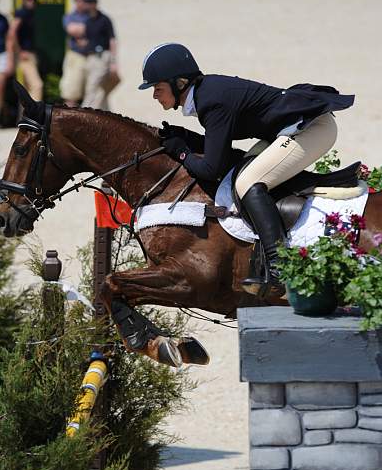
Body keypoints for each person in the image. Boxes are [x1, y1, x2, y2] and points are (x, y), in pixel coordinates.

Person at [138, 43, 354, 295]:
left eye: (157, 88)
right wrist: (185, 137)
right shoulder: (206, 93)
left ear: (181, 83)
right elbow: (218, 148)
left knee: (247, 182)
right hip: (290, 129)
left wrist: (181, 151)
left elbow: (210, 168)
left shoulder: (211, 100)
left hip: (313, 129)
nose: (154, 95)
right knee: (242, 172)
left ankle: (279, 267)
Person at [80, 0, 120, 109]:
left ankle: (84, 111)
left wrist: (113, 61)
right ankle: (106, 114)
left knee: (92, 87)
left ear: (96, 3)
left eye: (91, 1)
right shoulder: (87, 21)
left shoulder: (104, 19)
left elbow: (112, 40)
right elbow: (87, 40)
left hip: (102, 56)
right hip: (90, 57)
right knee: (99, 90)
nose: (89, 4)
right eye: (87, 1)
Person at [7, 0, 43, 101]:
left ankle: (25, 117)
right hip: (24, 56)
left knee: (26, 91)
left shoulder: (29, 13)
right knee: (37, 85)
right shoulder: (22, 12)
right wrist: (19, 51)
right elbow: (11, 33)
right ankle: (35, 116)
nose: (31, 1)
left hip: (29, 54)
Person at [59, 0, 90, 107]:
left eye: (82, 0)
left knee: (91, 94)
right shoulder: (69, 16)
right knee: (71, 94)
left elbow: (98, 30)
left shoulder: (92, 15)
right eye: (77, 0)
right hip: (75, 56)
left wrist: (82, 30)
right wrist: (88, 30)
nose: (80, 3)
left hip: (90, 56)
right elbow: (71, 29)